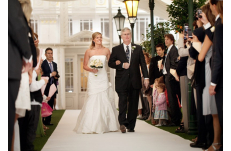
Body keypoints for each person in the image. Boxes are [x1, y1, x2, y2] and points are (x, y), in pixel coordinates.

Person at [73, 32, 119, 134]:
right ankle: (91, 125)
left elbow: (110, 63)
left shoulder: (106, 50)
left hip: (102, 77)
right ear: (93, 40)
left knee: (104, 98)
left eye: (100, 37)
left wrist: (116, 62)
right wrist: (91, 70)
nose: (99, 39)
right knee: (93, 98)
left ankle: (107, 125)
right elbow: (84, 65)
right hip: (93, 78)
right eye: (97, 38)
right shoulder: (89, 51)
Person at [108, 27, 149, 133]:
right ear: (121, 37)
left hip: (135, 81)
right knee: (122, 102)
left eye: (128, 34)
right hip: (121, 81)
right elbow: (110, 63)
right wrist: (121, 65)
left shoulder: (138, 48)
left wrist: (146, 77)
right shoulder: (116, 49)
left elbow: (143, 64)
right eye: (124, 34)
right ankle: (122, 123)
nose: (127, 36)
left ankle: (131, 126)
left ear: (131, 35)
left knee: (133, 103)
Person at [161, 34, 181, 126]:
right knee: (171, 98)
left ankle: (175, 120)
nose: (166, 41)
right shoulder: (169, 50)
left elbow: (174, 64)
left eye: (168, 39)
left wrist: (169, 76)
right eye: (165, 39)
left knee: (173, 99)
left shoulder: (173, 50)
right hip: (168, 76)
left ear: (172, 41)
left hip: (171, 77)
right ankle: (175, 118)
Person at [41, 47, 59, 125]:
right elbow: (42, 74)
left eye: (51, 53)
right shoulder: (43, 63)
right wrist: (51, 74)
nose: (50, 55)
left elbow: (57, 73)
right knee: (44, 102)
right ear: (45, 54)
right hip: (45, 86)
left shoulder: (54, 64)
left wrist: (56, 76)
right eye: (48, 53)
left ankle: (48, 121)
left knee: (51, 103)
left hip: (53, 86)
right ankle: (42, 122)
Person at [142, 52, 152, 121]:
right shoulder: (143, 66)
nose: (144, 59)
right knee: (148, 101)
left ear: (148, 58)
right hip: (144, 85)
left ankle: (151, 115)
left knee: (151, 101)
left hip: (149, 84)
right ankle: (149, 114)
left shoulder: (149, 65)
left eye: (145, 58)